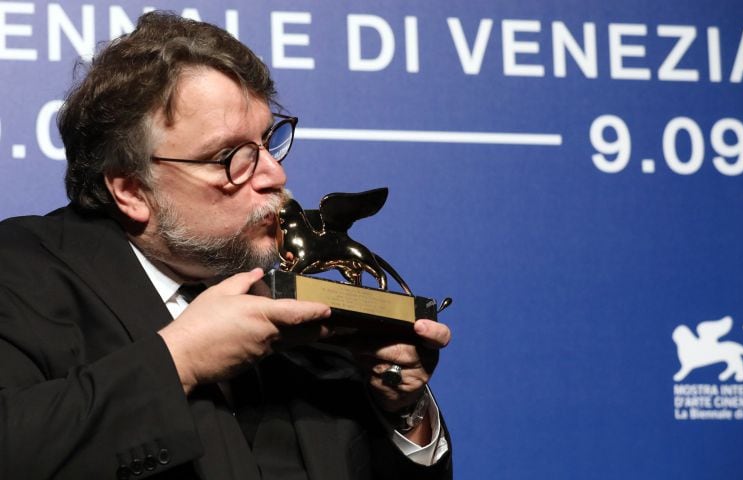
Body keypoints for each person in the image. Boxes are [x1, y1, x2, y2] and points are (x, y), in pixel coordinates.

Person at [0, 11, 452, 480]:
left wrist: (401, 409)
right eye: (230, 157)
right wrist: (179, 360)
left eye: (266, 141)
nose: (275, 176)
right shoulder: (19, 274)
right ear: (132, 191)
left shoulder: (295, 291)